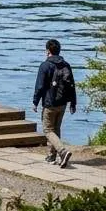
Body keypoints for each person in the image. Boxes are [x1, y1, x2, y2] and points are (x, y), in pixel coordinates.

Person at [31, 38, 76, 168]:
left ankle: (63, 151)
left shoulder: (45, 65)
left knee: (48, 130)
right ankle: (52, 156)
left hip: (50, 103)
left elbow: (39, 86)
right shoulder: (66, 65)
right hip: (63, 104)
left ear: (47, 51)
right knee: (56, 129)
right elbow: (72, 85)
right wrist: (73, 103)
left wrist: (35, 102)